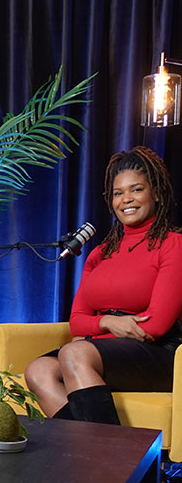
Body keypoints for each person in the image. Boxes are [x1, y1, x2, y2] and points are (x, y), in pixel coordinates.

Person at [24, 146, 182, 424]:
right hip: (105, 347)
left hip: (161, 354)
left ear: (155, 193)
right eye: (118, 193)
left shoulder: (173, 245)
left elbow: (155, 326)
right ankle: (96, 457)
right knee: (38, 370)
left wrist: (92, 336)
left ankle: (106, 464)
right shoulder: (101, 252)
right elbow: (77, 321)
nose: (126, 200)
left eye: (136, 190)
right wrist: (108, 323)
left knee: (75, 352)